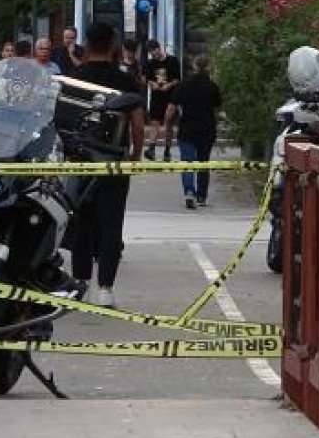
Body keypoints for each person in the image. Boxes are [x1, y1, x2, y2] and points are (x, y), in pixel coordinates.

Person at [66, 21, 145, 308]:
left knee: (81, 222)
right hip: (114, 160)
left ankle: (80, 284)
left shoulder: (75, 78)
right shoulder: (125, 82)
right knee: (112, 224)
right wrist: (135, 154)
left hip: (80, 161)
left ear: (86, 44)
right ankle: (105, 289)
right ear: (113, 44)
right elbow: (137, 123)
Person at [164, 55, 223, 209]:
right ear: (209, 67)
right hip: (206, 129)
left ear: (194, 67)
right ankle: (202, 196)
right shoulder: (212, 86)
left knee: (187, 162)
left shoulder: (183, 85)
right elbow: (216, 109)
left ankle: (189, 192)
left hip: (187, 128)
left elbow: (171, 109)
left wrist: (168, 125)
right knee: (204, 163)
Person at [143, 39, 181, 161]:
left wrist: (168, 85)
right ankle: (151, 148)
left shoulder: (172, 60)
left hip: (170, 95)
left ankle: (167, 150)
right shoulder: (149, 63)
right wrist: (151, 83)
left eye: (154, 51)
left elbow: (177, 79)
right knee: (154, 122)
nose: (154, 55)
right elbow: (146, 79)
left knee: (168, 122)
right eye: (151, 53)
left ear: (159, 48)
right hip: (156, 95)